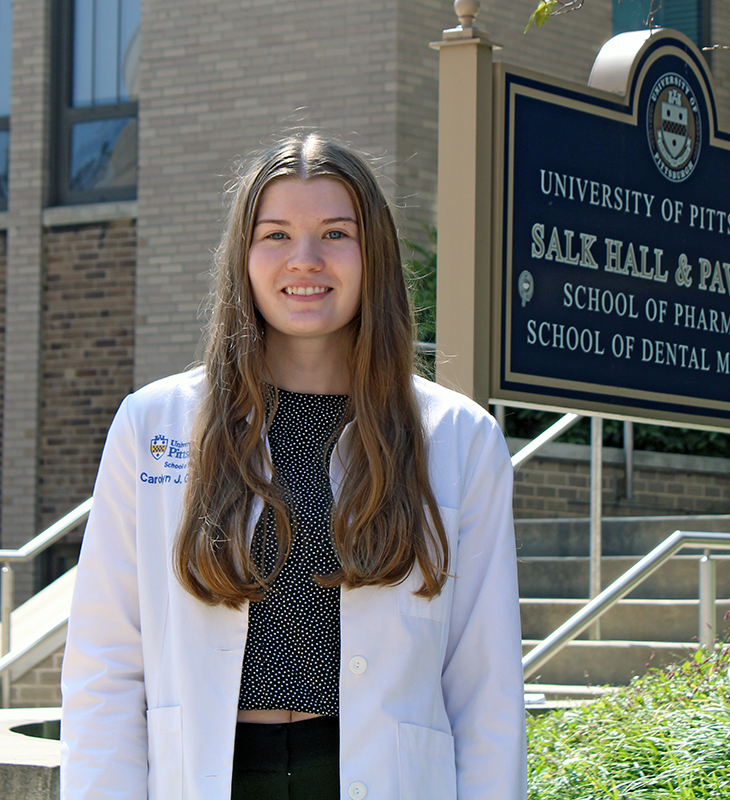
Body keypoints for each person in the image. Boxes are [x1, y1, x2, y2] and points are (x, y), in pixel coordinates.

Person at [60, 132, 527, 800]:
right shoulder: (152, 424)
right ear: (243, 259)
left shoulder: (459, 439)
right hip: (212, 777)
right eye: (275, 235)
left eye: (336, 233)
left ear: (374, 257)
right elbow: (104, 666)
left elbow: (486, 690)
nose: (304, 259)